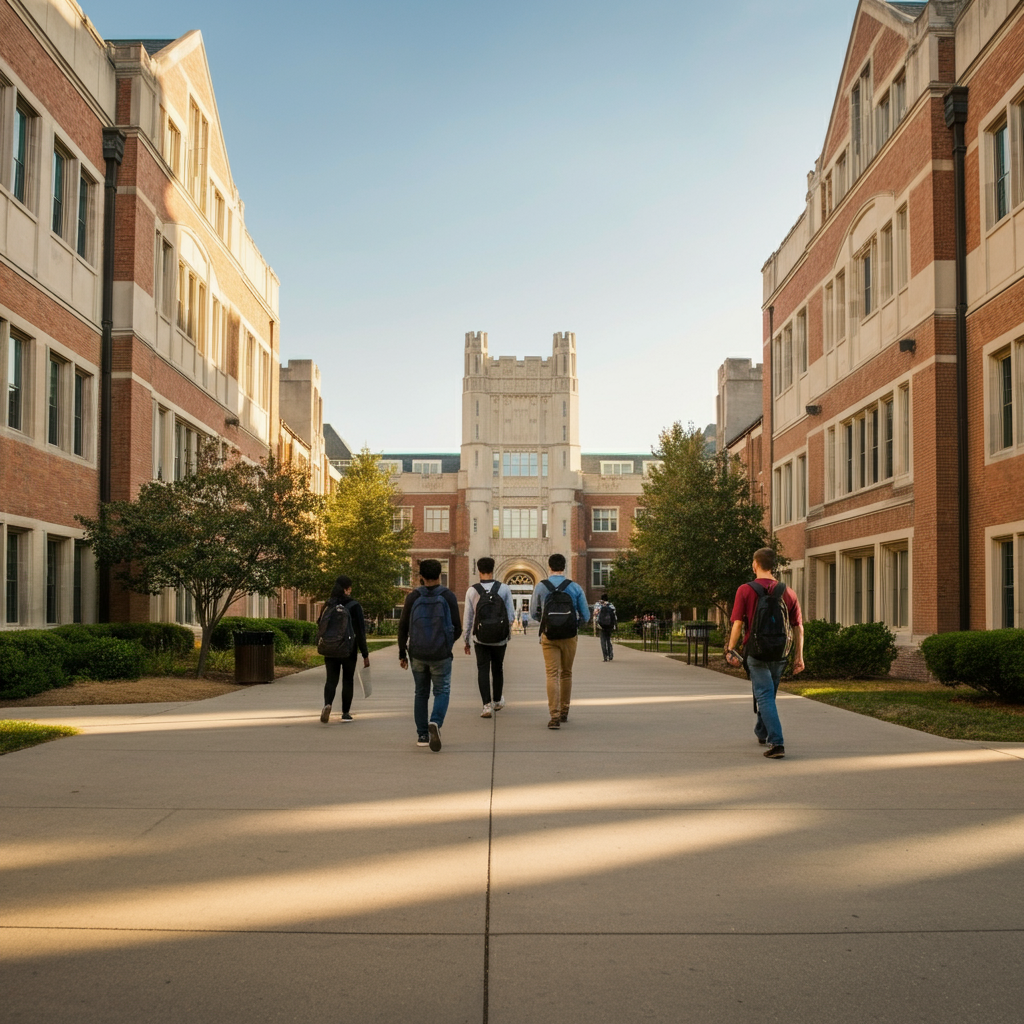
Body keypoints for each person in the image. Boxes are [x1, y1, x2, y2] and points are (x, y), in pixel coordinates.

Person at [725, 547, 804, 759]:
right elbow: (798, 627)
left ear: (755, 564)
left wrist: (730, 649)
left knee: (765, 695)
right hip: (780, 653)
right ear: (774, 566)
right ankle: (762, 731)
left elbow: (738, 623)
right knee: (768, 694)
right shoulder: (788, 592)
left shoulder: (745, 589)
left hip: (756, 652)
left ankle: (777, 743)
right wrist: (799, 657)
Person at [398, 559, 462, 751]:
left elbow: (403, 627)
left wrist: (403, 652)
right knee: (442, 690)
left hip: (417, 653)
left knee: (421, 693)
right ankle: (435, 721)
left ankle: (422, 735)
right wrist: (446, 644)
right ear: (440, 575)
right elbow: (457, 628)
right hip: (441, 654)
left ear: (421, 577)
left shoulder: (413, 597)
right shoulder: (448, 596)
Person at [530, 553, 590, 729]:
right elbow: (586, 615)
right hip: (570, 636)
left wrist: (547, 621)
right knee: (566, 673)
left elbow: (534, 613)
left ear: (549, 566)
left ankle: (554, 716)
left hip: (549, 636)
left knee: (552, 674)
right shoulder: (575, 587)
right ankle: (564, 711)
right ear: (565, 567)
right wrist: (573, 624)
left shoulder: (541, 587)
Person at [463, 557, 515, 717]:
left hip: (480, 637)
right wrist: (506, 632)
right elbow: (511, 616)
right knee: (498, 668)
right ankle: (498, 700)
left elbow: (468, 617)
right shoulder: (504, 589)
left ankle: (486, 705)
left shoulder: (472, 591)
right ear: (493, 569)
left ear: (478, 570)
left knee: (483, 669)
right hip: (500, 638)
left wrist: (466, 639)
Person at [319, 575, 370, 724]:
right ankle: (345, 713)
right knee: (348, 680)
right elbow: (360, 631)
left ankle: (327, 704)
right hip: (349, 648)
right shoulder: (354, 605)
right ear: (347, 589)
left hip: (330, 647)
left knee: (331, 679)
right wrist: (365, 654)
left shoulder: (328, 604)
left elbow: (320, 624)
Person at [595, 593, 617, 661]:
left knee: (603, 641)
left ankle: (605, 656)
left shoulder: (598, 605)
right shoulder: (611, 605)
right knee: (608, 640)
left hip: (601, 625)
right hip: (609, 625)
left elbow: (595, 613)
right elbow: (614, 616)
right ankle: (610, 655)